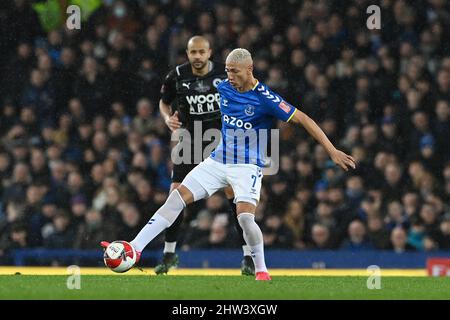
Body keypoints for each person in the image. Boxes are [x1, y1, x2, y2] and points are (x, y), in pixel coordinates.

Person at [102, 48, 356, 280]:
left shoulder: (265, 98)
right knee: (176, 198)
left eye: (234, 71)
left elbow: (303, 118)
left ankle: (262, 270)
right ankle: (134, 248)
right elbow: (197, 101)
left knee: (245, 219)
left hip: (247, 168)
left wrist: (331, 150)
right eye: (227, 71)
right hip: (217, 161)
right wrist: (178, 112)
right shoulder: (223, 88)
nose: (229, 76)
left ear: (249, 70)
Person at [155, 36, 254, 275]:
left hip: (221, 139)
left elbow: (244, 94)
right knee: (176, 196)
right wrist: (168, 118)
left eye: (201, 52)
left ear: (209, 52)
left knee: (235, 195)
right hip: (189, 140)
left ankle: (249, 257)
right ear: (187, 54)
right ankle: (169, 254)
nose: (197, 56)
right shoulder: (176, 76)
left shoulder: (224, 74)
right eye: (193, 52)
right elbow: (163, 102)